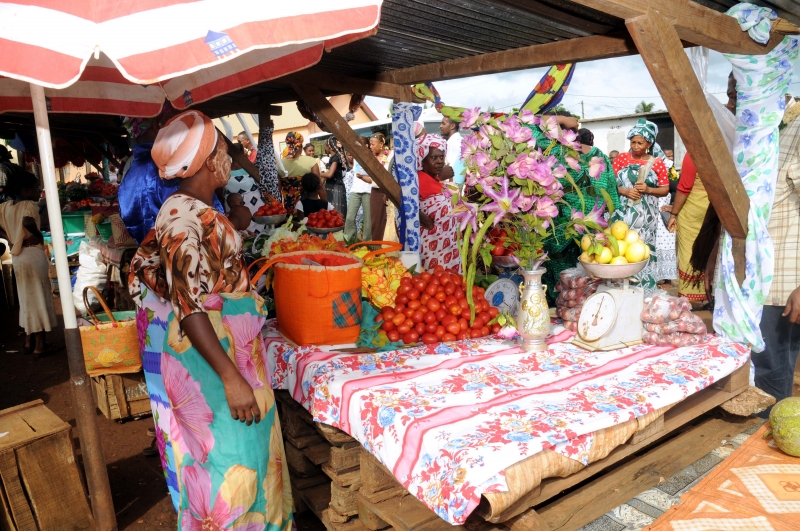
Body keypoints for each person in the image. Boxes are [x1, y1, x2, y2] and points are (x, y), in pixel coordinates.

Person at [129, 110, 293, 527]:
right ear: (205, 160)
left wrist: (239, 214)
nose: (230, 156)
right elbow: (189, 307)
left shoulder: (199, 207)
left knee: (251, 453)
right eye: (223, 148)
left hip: (227, 353)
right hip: (214, 361)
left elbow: (222, 235)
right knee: (232, 461)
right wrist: (231, 378)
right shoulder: (181, 218)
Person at [119, 103, 225, 245]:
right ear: (160, 124)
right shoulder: (172, 169)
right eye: (177, 118)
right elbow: (207, 230)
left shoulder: (130, 176)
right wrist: (235, 220)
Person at [611, 118, 673, 293]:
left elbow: (665, 190)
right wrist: (624, 191)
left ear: (649, 143)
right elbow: (611, 184)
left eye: (640, 143)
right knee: (621, 247)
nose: (636, 146)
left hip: (646, 218)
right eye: (633, 142)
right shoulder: (622, 159)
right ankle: (620, 289)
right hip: (622, 214)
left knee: (643, 249)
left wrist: (648, 189)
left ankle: (644, 291)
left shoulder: (657, 163)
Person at [0, 171, 58, 357]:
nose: (38, 190)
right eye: (35, 187)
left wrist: (10, 239)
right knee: (39, 297)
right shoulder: (29, 205)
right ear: (25, 190)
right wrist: (38, 235)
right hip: (32, 254)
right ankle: (40, 345)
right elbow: (27, 221)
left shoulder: (6, 206)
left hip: (18, 257)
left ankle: (28, 342)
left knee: (26, 299)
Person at [666, 153, 709, 304]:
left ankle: (689, 299)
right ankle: (708, 293)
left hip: (692, 210)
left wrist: (673, 214)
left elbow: (684, 187)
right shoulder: (723, 149)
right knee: (709, 250)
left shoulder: (693, 154)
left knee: (688, 252)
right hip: (712, 209)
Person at [416, 134, 460, 272]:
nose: (440, 161)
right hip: (434, 247)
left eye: (441, 157)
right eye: (434, 158)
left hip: (443, 248)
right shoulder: (421, 179)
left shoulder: (433, 179)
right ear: (421, 161)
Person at [224, 143, 266, 234]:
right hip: (254, 205)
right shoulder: (250, 167)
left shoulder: (225, 170)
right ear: (243, 152)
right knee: (258, 230)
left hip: (233, 205)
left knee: (237, 230)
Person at [280, 132, 321, 214]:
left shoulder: (279, 164)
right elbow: (319, 187)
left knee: (290, 226)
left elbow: (277, 190)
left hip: (289, 208)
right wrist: (326, 206)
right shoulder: (310, 161)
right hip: (308, 207)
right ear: (301, 146)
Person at [345, 153, 372, 241]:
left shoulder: (372, 158)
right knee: (349, 217)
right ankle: (348, 241)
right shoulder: (356, 157)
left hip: (368, 190)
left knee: (368, 219)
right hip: (355, 190)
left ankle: (367, 243)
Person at [320, 136, 349, 216]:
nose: (325, 148)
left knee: (336, 212)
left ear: (329, 147)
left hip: (336, 187)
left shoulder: (335, 158)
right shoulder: (333, 158)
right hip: (332, 187)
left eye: (325, 146)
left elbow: (329, 174)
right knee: (333, 212)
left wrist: (316, 173)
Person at [439, 116, 460, 181]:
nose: (440, 126)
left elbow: (452, 170)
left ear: (452, 126)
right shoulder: (451, 142)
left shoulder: (457, 143)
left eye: (443, 123)